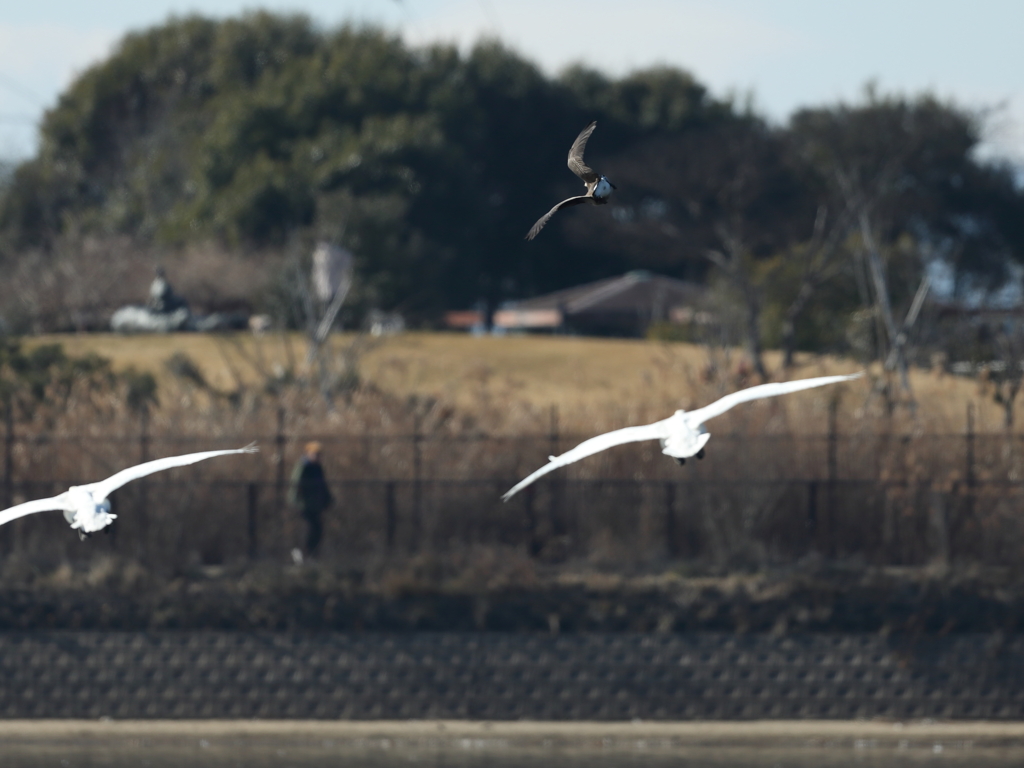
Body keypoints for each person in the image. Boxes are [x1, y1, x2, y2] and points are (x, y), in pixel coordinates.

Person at [288, 441, 333, 561]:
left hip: (315, 505)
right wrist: (297, 501)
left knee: (317, 529)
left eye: (319, 454)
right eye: (315, 454)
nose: (317, 456)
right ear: (308, 453)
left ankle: (313, 554)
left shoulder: (318, 467)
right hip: (304, 505)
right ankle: (303, 554)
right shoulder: (303, 466)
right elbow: (296, 485)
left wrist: (328, 499)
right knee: (308, 529)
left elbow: (322, 485)